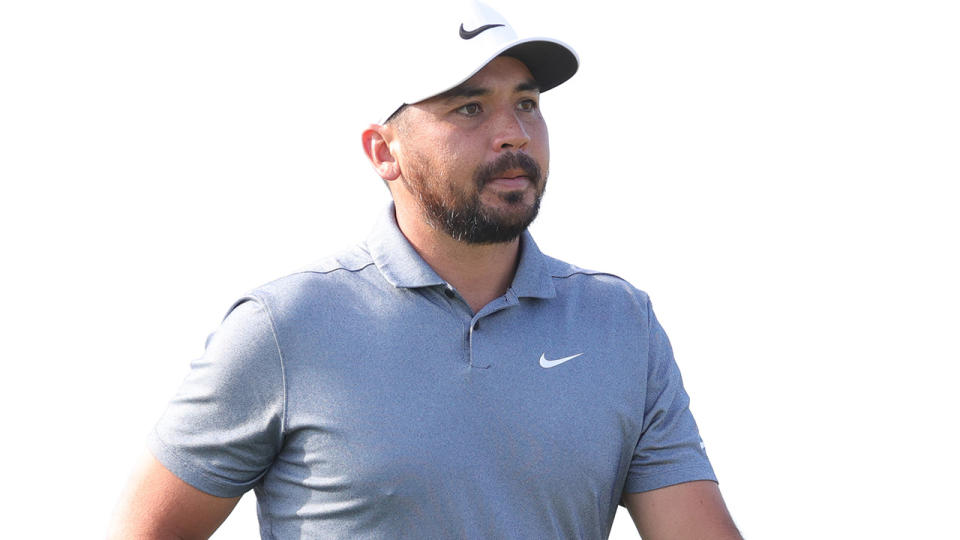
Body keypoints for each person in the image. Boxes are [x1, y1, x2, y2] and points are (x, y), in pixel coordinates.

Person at [110, 2, 741, 538]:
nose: (514, 134)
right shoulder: (285, 327)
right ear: (384, 152)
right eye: (470, 109)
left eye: (526, 103)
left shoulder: (619, 323)